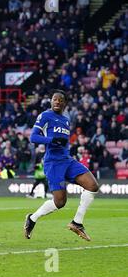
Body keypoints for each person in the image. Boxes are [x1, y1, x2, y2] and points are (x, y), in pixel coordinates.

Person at [24, 90, 99, 241]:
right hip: (53, 163)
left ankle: (77, 222)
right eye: (54, 99)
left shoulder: (66, 120)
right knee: (60, 202)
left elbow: (64, 141)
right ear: (51, 101)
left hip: (68, 160)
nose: (57, 102)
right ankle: (32, 218)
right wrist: (52, 140)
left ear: (64, 104)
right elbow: (33, 137)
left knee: (93, 186)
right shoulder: (45, 115)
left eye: (60, 100)